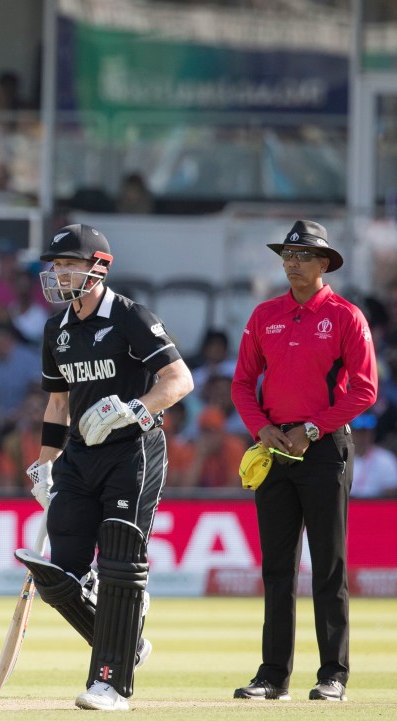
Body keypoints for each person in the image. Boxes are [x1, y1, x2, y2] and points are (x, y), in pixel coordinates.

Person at [13, 223, 193, 711]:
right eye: (54, 265)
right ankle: (127, 639)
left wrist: (134, 408)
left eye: (68, 263)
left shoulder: (131, 316)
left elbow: (178, 380)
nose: (58, 273)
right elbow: (57, 405)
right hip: (78, 456)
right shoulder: (58, 329)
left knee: (118, 566)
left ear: (98, 267)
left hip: (132, 452)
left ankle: (111, 685)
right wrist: (45, 466)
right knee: (60, 578)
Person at [231, 220, 377, 703]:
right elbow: (241, 384)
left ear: (324, 263)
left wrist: (311, 429)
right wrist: (263, 429)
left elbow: (364, 390)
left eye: (302, 255)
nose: (291, 263)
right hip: (274, 450)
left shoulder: (344, 316)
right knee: (277, 568)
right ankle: (273, 676)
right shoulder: (264, 314)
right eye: (287, 255)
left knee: (328, 568)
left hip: (324, 450)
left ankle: (333, 674)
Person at [350, 412, 397, 498]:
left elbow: (392, 492)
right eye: (358, 433)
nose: (362, 437)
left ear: (373, 434)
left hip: (375, 507)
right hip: (347, 506)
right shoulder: (340, 459)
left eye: (366, 433)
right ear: (351, 433)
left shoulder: (386, 459)